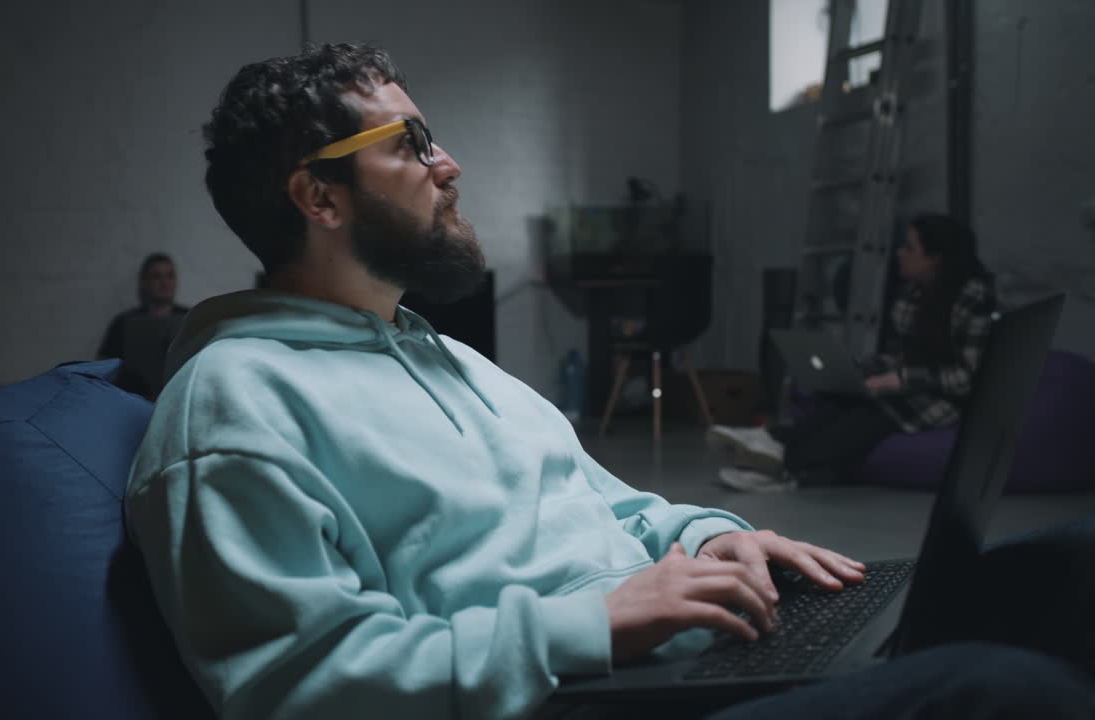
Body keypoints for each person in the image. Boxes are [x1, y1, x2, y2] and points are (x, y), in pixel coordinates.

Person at [124, 44, 1093, 720]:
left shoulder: (447, 359)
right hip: (574, 704)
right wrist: (580, 627)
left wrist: (719, 536)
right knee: (1006, 695)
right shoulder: (234, 404)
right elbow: (297, 687)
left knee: (1074, 566)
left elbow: (618, 509)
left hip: (676, 661)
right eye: (411, 144)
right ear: (316, 195)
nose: (448, 163)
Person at [708, 214, 997, 493]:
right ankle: (771, 442)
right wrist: (861, 369)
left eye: (910, 248)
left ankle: (782, 466)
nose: (899, 253)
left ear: (936, 258)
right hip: (906, 385)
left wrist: (902, 380)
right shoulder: (915, 292)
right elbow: (901, 353)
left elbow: (968, 376)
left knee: (870, 415)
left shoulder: (972, 297)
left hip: (940, 397)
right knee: (844, 397)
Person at [97, 252, 190, 399]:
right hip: (133, 404)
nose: (164, 282)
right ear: (143, 282)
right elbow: (104, 369)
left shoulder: (191, 319)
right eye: (156, 276)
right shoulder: (124, 323)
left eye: (169, 276)